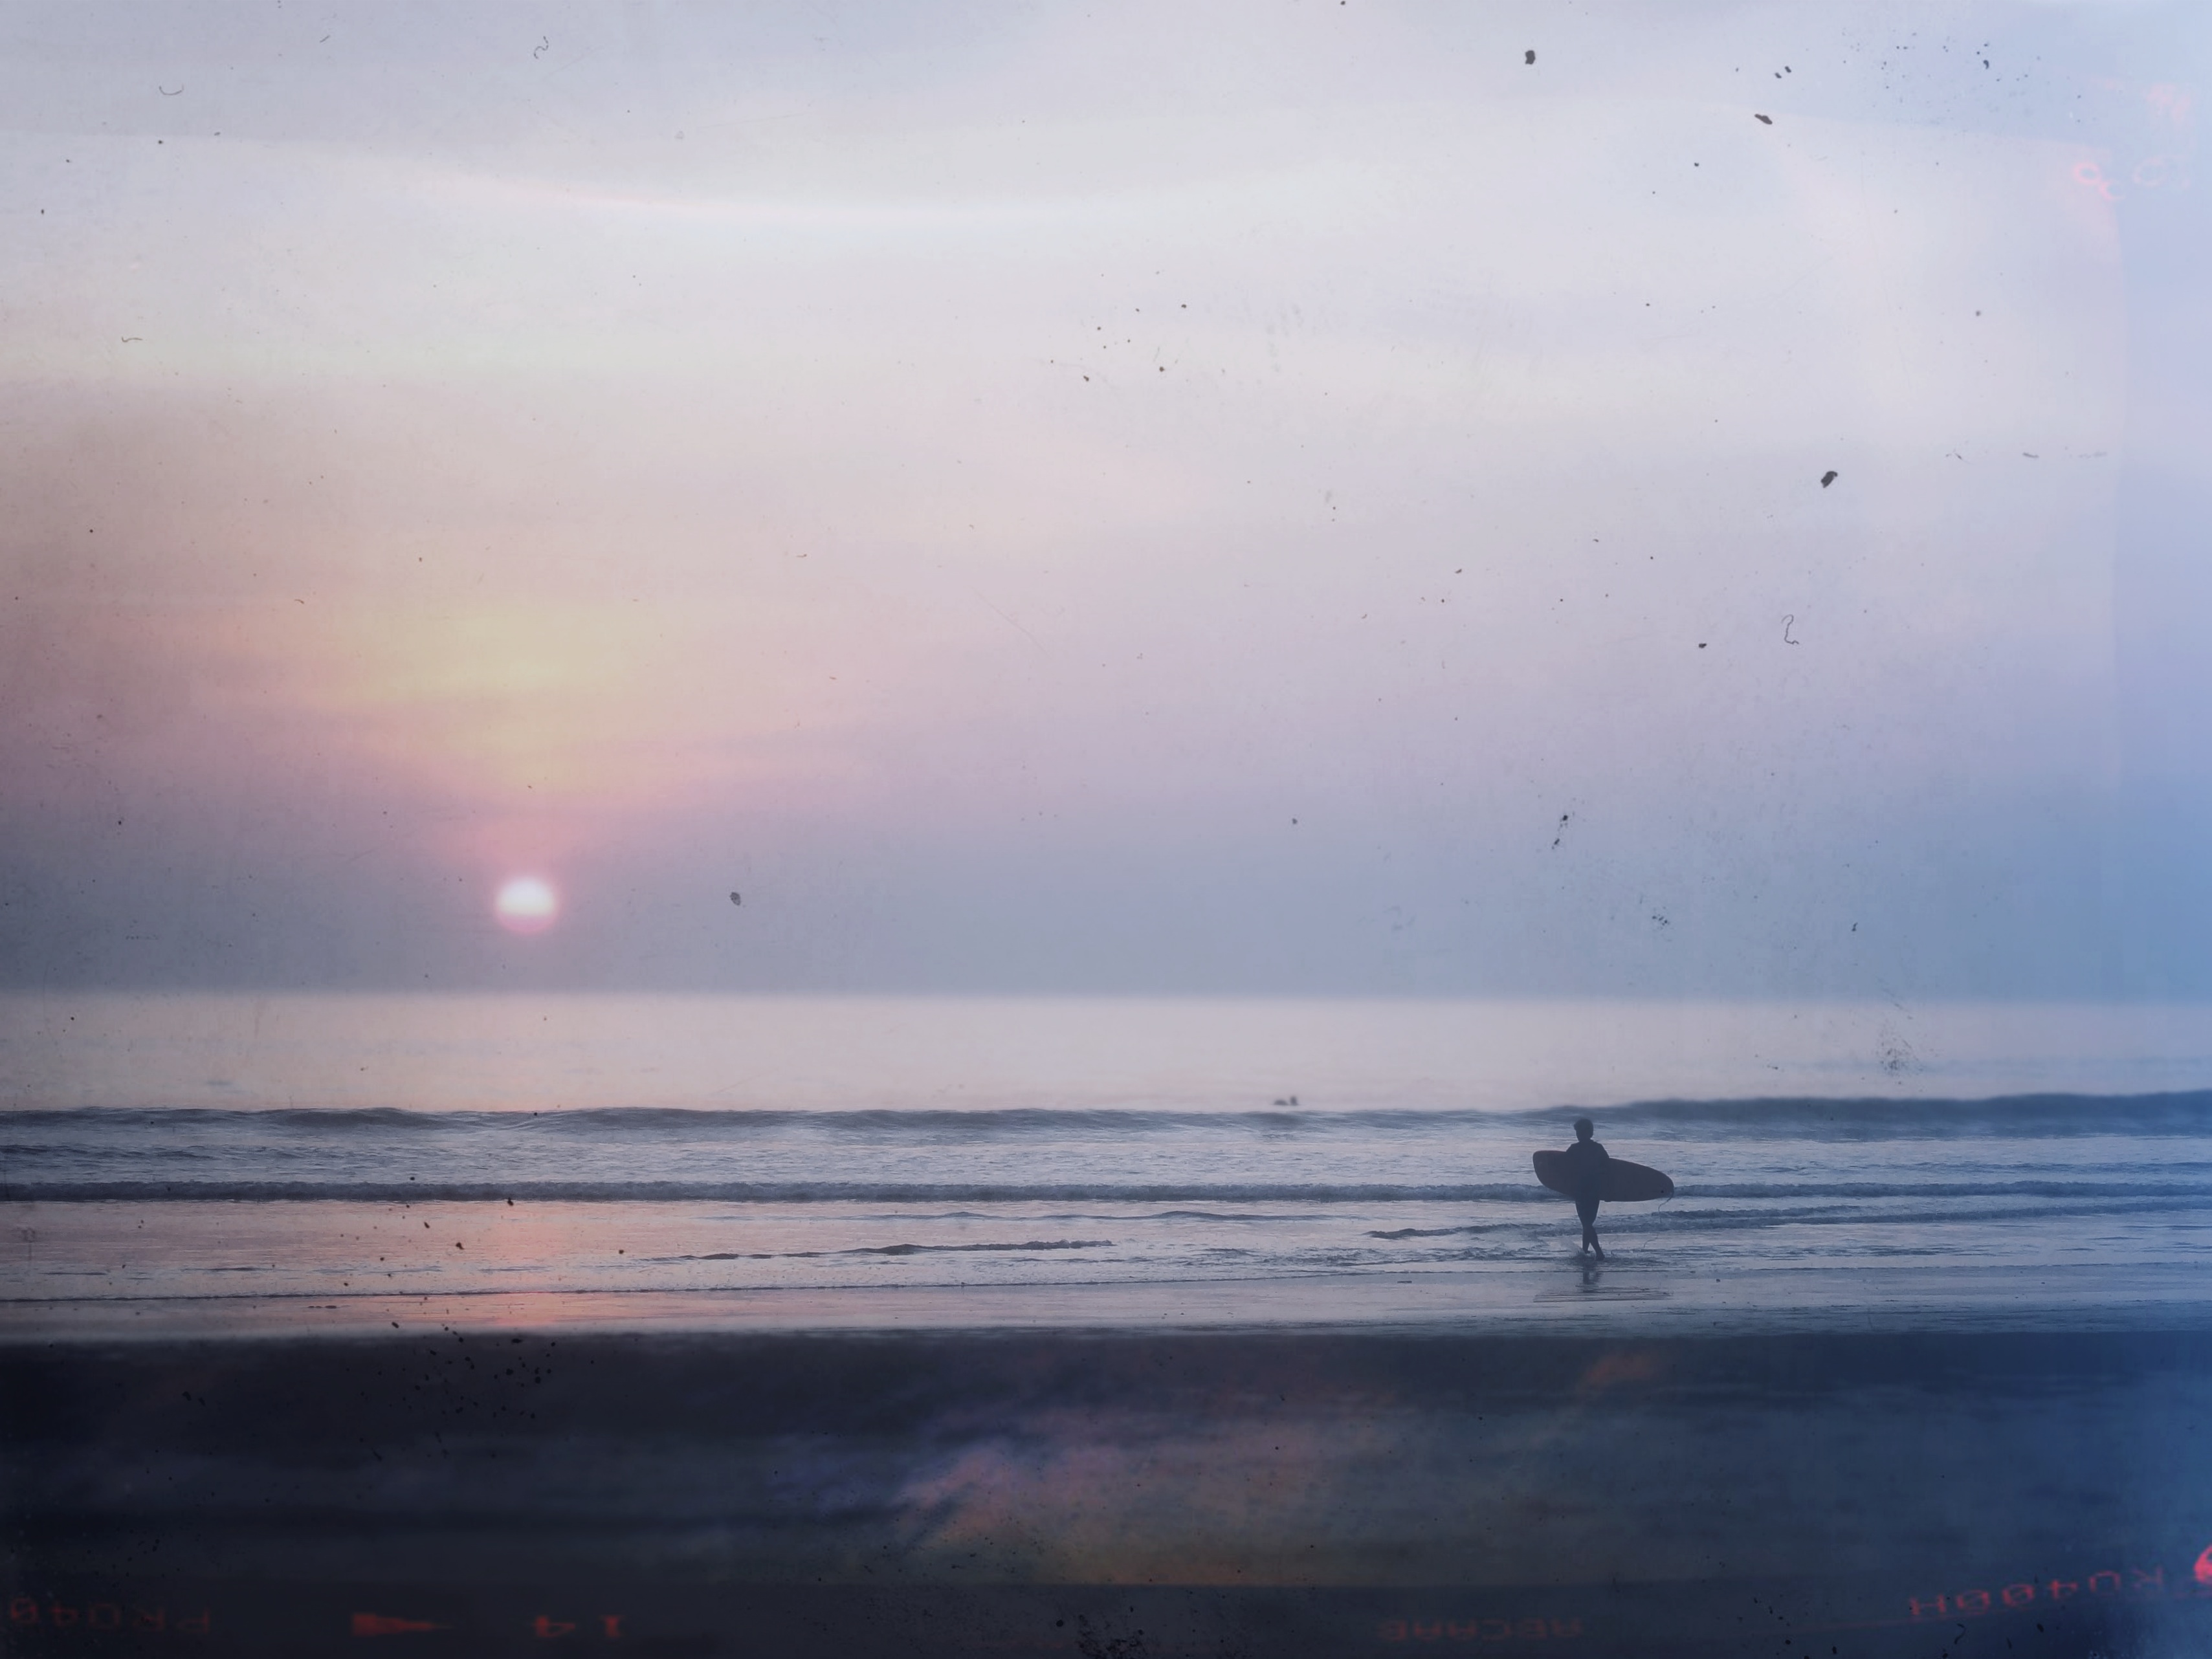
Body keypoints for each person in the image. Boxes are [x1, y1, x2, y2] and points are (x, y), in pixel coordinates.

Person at [1559, 1117, 1609, 1259]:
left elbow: (1564, 1167)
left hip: (1581, 1191)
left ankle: (1599, 1253)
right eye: (1577, 1132)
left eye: (1579, 1132)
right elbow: (1608, 1168)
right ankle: (1585, 1251)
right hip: (1595, 1190)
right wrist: (1608, 1190)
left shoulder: (1574, 1149)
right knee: (1587, 1223)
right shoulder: (1598, 1148)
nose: (1578, 1135)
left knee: (1586, 1223)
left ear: (1587, 1133)